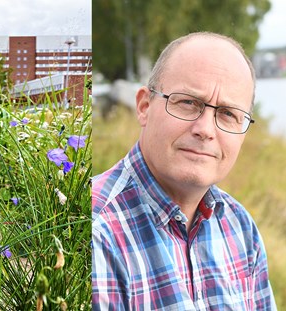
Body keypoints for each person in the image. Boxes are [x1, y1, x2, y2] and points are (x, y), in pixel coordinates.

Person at [92, 32, 276, 310]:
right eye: (188, 102)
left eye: (227, 113)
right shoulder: (96, 231)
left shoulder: (241, 227)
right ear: (144, 106)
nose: (205, 130)